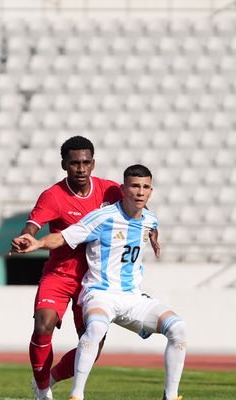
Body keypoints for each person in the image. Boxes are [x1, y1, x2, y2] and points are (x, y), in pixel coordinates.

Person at [12, 164, 186, 400]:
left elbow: (150, 225)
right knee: (94, 329)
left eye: (145, 187)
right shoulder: (103, 217)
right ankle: (77, 395)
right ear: (122, 189)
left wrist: (155, 237)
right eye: (135, 186)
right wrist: (38, 243)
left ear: (151, 191)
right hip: (100, 293)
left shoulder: (150, 220)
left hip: (132, 296)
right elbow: (64, 237)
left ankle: (171, 396)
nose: (140, 192)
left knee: (178, 329)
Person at [14, 136, 124, 400]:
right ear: (64, 164)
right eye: (75, 163)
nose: (81, 168)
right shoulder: (53, 196)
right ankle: (42, 391)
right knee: (43, 324)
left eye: (86, 162)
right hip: (60, 274)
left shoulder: (110, 191)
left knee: (92, 345)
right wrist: (27, 236)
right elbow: (33, 224)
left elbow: (136, 208)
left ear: (94, 163)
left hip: (95, 279)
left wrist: (151, 230)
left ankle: (48, 379)